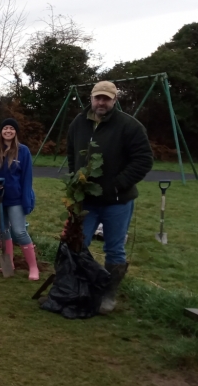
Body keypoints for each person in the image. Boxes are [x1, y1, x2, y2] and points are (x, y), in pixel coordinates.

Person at [66, 81, 153, 313]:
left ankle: (107, 295)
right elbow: (71, 152)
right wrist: (75, 181)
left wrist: (118, 184)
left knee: (114, 249)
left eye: (106, 98)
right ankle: (80, 289)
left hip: (118, 201)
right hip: (86, 201)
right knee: (78, 243)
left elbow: (144, 159)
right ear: (91, 98)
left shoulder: (129, 126)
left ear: (114, 100)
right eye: (98, 98)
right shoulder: (78, 123)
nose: (101, 102)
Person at [0, 118, 38, 281]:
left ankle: (33, 267)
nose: (8, 131)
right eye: (5, 128)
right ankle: (8, 263)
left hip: (16, 199)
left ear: (16, 132)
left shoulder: (23, 151)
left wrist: (27, 200)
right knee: (3, 231)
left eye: (12, 128)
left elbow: (27, 178)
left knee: (19, 231)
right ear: (1, 131)